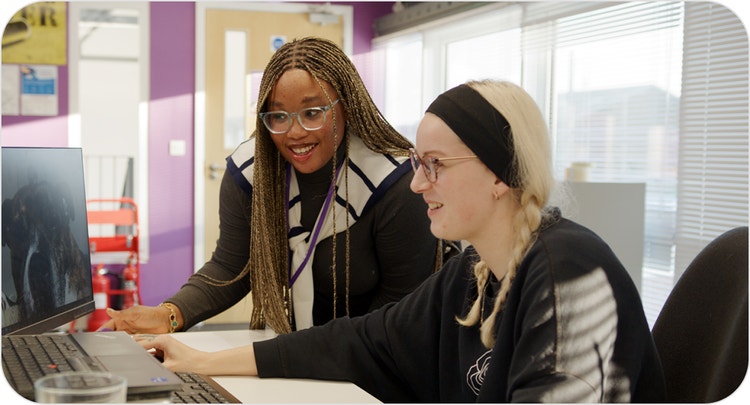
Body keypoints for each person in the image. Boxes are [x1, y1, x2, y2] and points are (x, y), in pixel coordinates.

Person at [137, 80, 666, 402]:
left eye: (435, 165)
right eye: (417, 163)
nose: (416, 184)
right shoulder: (472, 273)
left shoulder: (567, 273)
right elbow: (359, 341)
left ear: (500, 173)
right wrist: (200, 362)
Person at [102, 37, 449, 335]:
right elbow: (231, 268)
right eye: (278, 116)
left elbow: (402, 307)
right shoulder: (251, 173)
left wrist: (311, 357)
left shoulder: (397, 183)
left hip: (387, 351)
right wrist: (169, 314)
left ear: (345, 106)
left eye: (312, 113)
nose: (294, 133)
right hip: (310, 350)